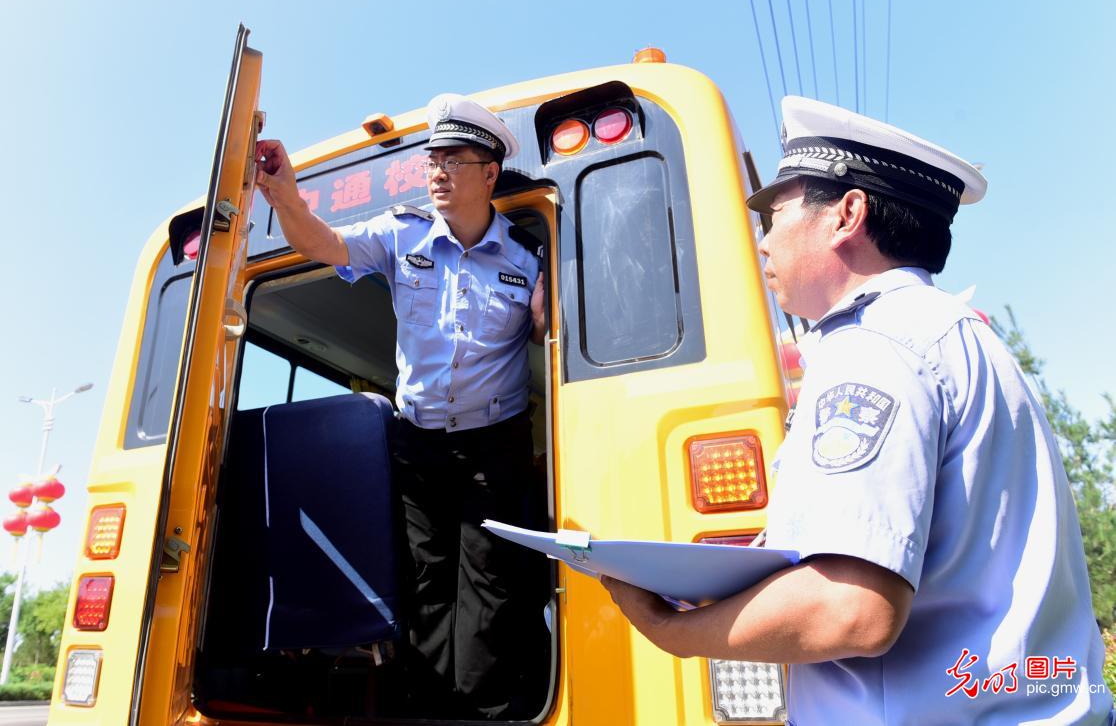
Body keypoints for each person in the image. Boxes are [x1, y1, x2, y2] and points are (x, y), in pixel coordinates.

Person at [601, 96, 1114, 725]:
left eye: (776, 212)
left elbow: (853, 608)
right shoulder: (955, 334)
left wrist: (672, 632)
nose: (764, 241)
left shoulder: (873, 347)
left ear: (847, 213)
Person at [254, 93, 548, 719]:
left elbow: (556, 331)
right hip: (416, 445)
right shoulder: (401, 235)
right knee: (423, 581)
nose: (436, 171)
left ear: (489, 174)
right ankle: (429, 706)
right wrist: (284, 196)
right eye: (432, 159)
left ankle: (484, 711)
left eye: (452, 160)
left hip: (493, 448)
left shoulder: (528, 259)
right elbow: (323, 244)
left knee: (490, 584)